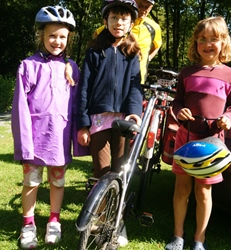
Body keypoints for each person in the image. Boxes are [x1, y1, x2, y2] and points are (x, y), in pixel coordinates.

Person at [165, 16, 231, 250]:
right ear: (195, 44)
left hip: (212, 143)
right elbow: (176, 102)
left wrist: (227, 119)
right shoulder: (187, 73)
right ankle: (178, 235)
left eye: (214, 39)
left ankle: (199, 239)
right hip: (185, 139)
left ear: (223, 43)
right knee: (181, 188)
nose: (208, 44)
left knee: (203, 191)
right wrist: (180, 112)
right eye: (202, 39)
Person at [11, 6, 80, 249]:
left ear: (69, 39)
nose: (57, 41)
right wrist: (23, 141)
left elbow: (75, 106)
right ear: (41, 35)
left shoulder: (72, 68)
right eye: (52, 35)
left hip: (58, 139)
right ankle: (28, 224)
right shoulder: (28, 65)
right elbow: (20, 107)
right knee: (31, 182)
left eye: (62, 36)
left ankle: (54, 221)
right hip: (34, 137)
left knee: (57, 182)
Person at [76, 0, 143, 246]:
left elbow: (136, 88)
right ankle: (99, 217)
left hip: (124, 120)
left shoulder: (132, 52)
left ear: (131, 23)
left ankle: (117, 220)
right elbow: (83, 89)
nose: (119, 23)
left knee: (121, 170)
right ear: (106, 21)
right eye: (114, 17)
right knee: (101, 171)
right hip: (99, 119)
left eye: (124, 18)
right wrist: (82, 124)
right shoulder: (95, 51)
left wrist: (135, 113)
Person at [94, 0, 162, 84]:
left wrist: (148, 58)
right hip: (112, 80)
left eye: (147, 7)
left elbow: (157, 45)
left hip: (138, 80)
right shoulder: (117, 25)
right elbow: (95, 41)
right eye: (140, 5)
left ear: (151, 7)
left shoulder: (154, 28)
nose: (143, 10)